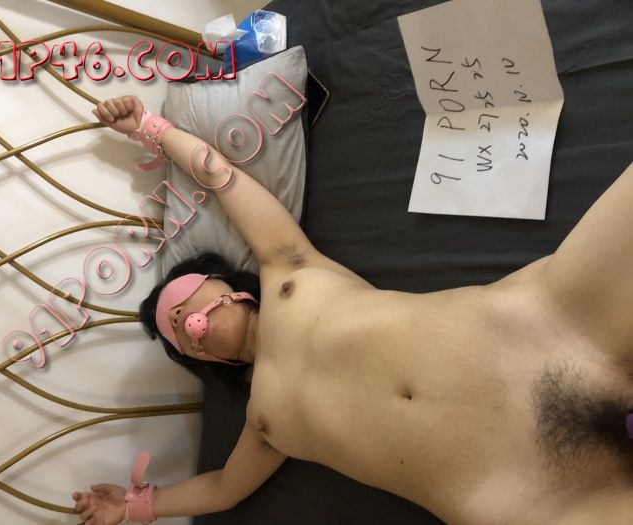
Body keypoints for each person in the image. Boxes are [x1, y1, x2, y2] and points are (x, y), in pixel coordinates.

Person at [71, 95, 633, 525]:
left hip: (546, 325)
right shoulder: (263, 422)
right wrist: (137, 507)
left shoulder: (289, 269)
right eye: (178, 338)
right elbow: (221, 490)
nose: (183, 327)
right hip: (517, 496)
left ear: (223, 283)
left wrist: (148, 128)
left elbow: (222, 176)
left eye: (179, 306)